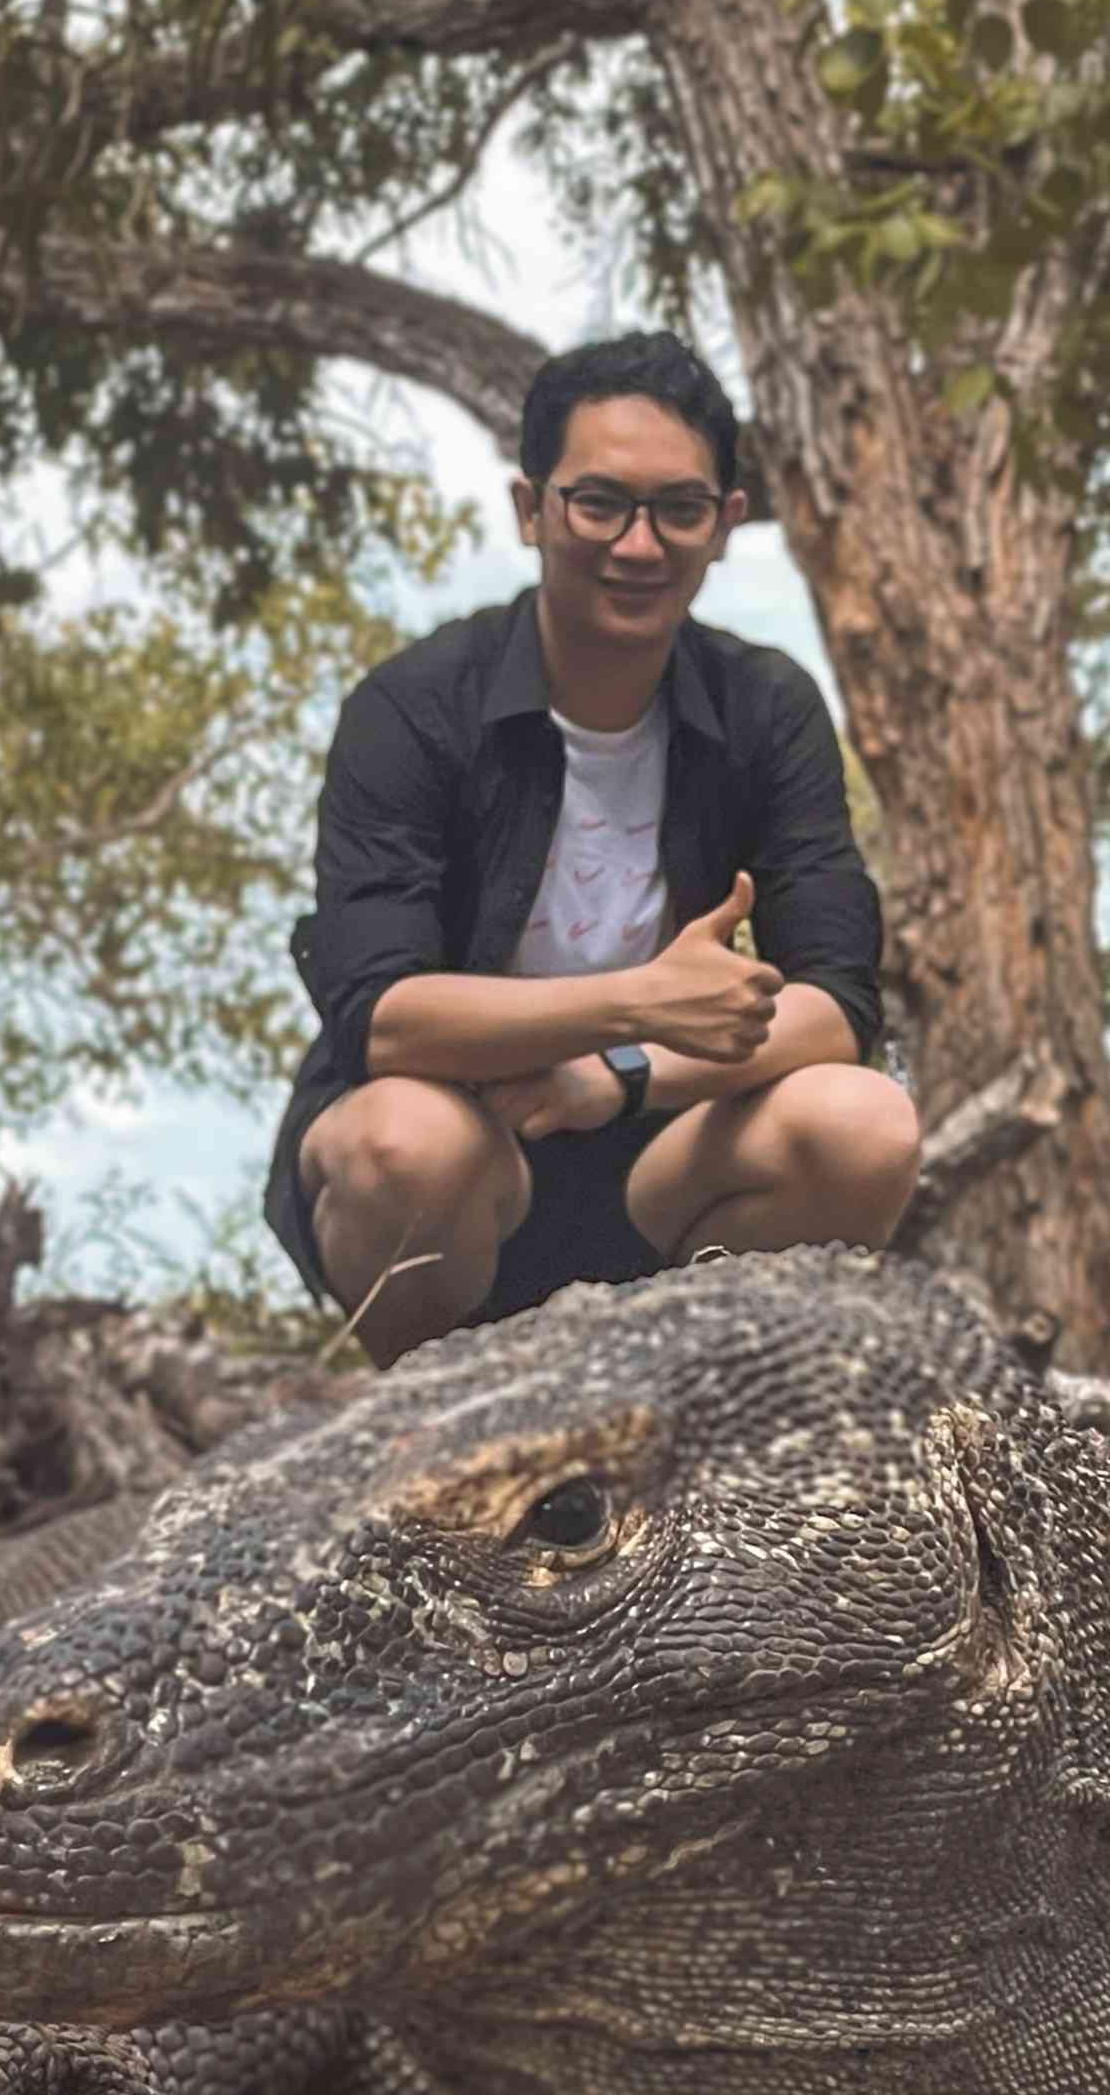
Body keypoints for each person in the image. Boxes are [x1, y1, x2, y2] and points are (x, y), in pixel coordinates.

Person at [263, 330, 922, 1362]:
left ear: (724, 526)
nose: (640, 545)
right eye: (600, 503)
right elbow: (380, 1020)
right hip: (466, 1166)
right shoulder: (415, 708)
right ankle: (427, 1443)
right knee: (404, 1143)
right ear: (532, 510)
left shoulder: (767, 707)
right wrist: (633, 1001)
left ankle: (695, 1415)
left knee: (865, 1123)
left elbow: (836, 1004)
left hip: (662, 1159)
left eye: (679, 510)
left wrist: (620, 1068)